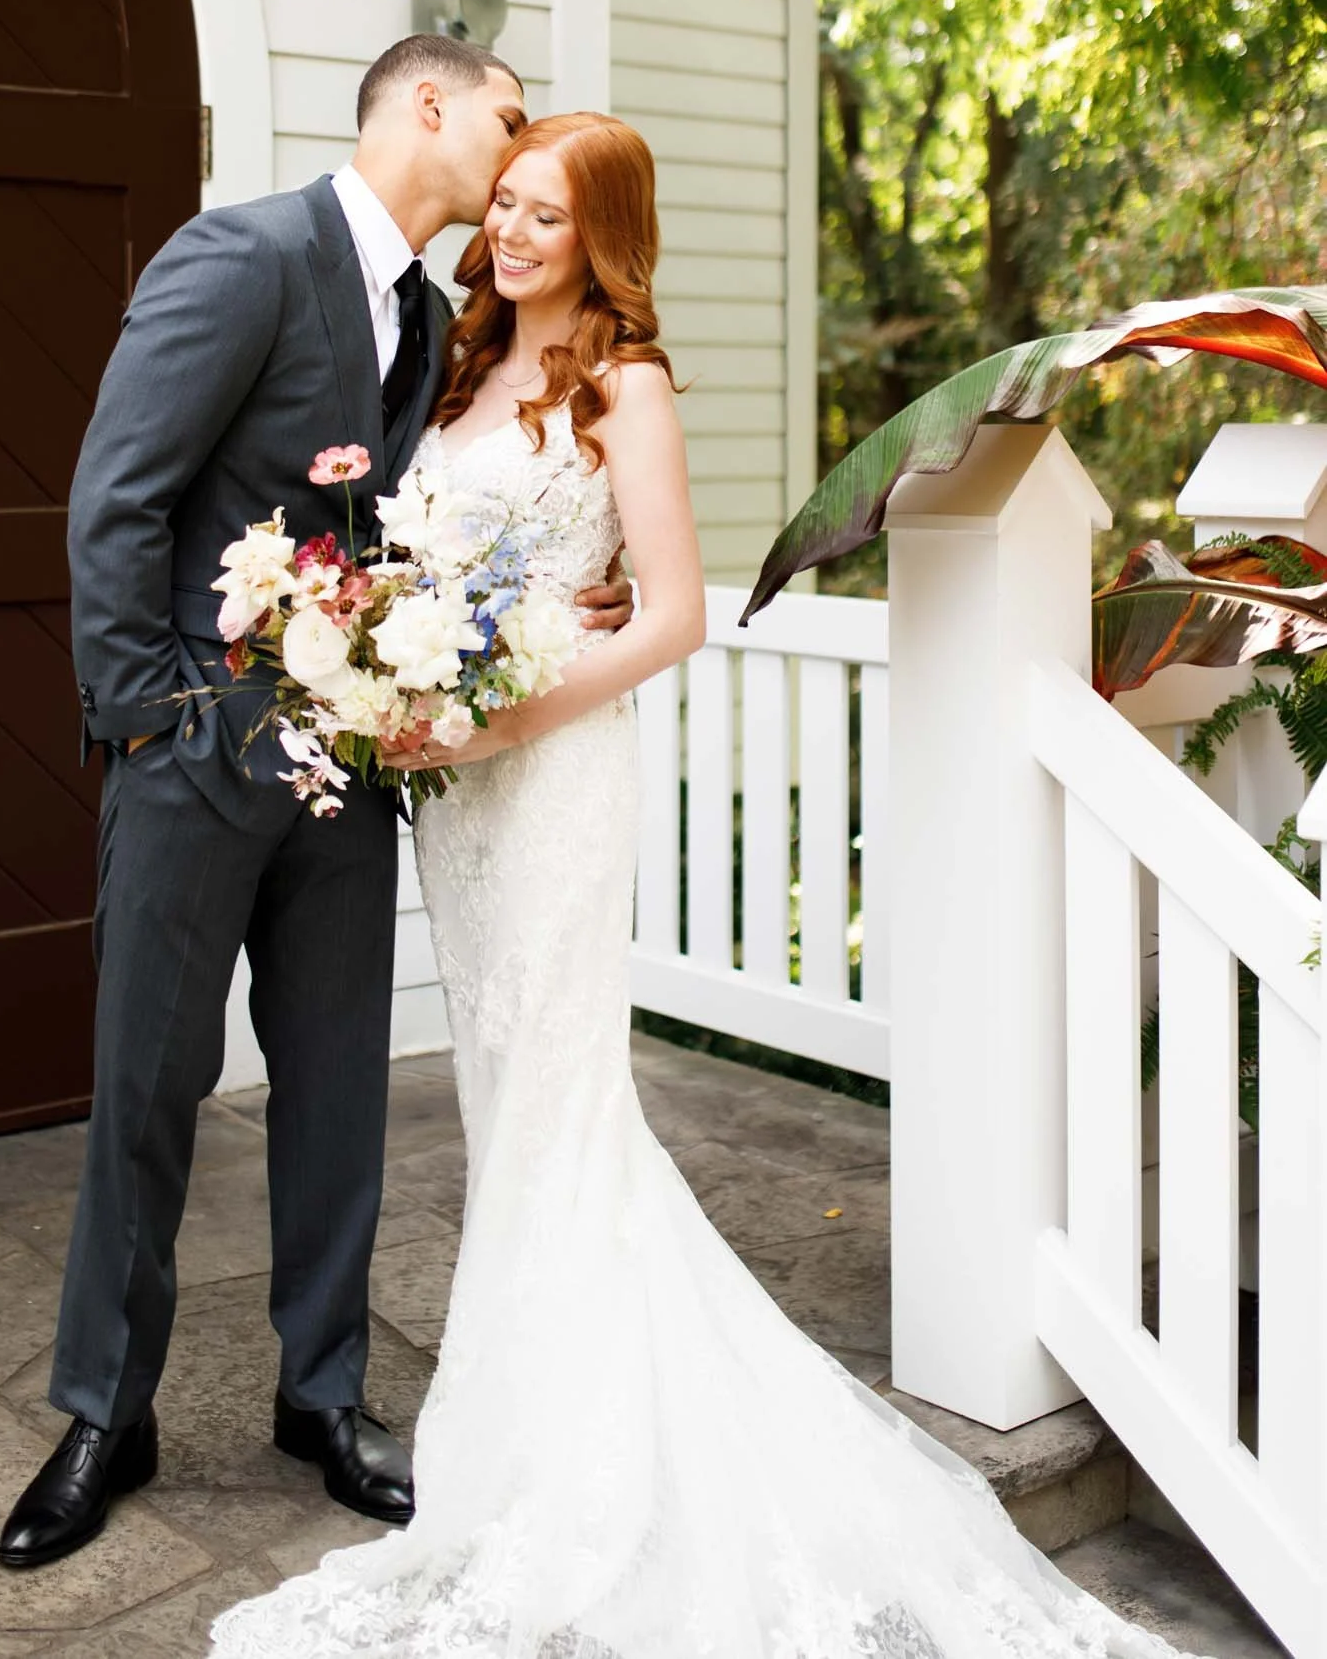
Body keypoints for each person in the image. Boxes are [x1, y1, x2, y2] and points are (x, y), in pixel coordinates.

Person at [209, 113, 1190, 1659]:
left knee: (556, 1111)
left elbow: (672, 616)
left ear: (605, 236)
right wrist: (396, 671)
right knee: (509, 1102)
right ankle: (543, 1417)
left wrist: (506, 710)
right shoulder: (459, 371)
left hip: (552, 782)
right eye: (508, 207)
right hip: (459, 797)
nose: (516, 234)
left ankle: (551, 1463)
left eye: (549, 216)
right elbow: (434, 571)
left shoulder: (628, 386)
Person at [0, 40, 634, 1571]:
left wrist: (556, 598)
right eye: (504, 112)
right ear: (430, 105)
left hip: (356, 771)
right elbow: (118, 496)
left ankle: (323, 1396)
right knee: (148, 1084)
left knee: (337, 1085)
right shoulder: (242, 257)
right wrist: (154, 722)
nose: (517, 139)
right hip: (197, 766)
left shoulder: (432, 319)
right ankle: (105, 1413)